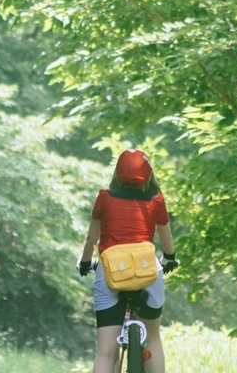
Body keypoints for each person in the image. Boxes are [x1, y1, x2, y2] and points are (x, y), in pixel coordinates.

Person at [78, 148, 178, 373]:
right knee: (152, 338)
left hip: (111, 271)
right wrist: (169, 258)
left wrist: (85, 262)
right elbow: (167, 238)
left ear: (117, 172)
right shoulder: (156, 201)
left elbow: (91, 238)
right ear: (148, 174)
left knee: (106, 352)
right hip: (147, 271)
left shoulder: (105, 197)